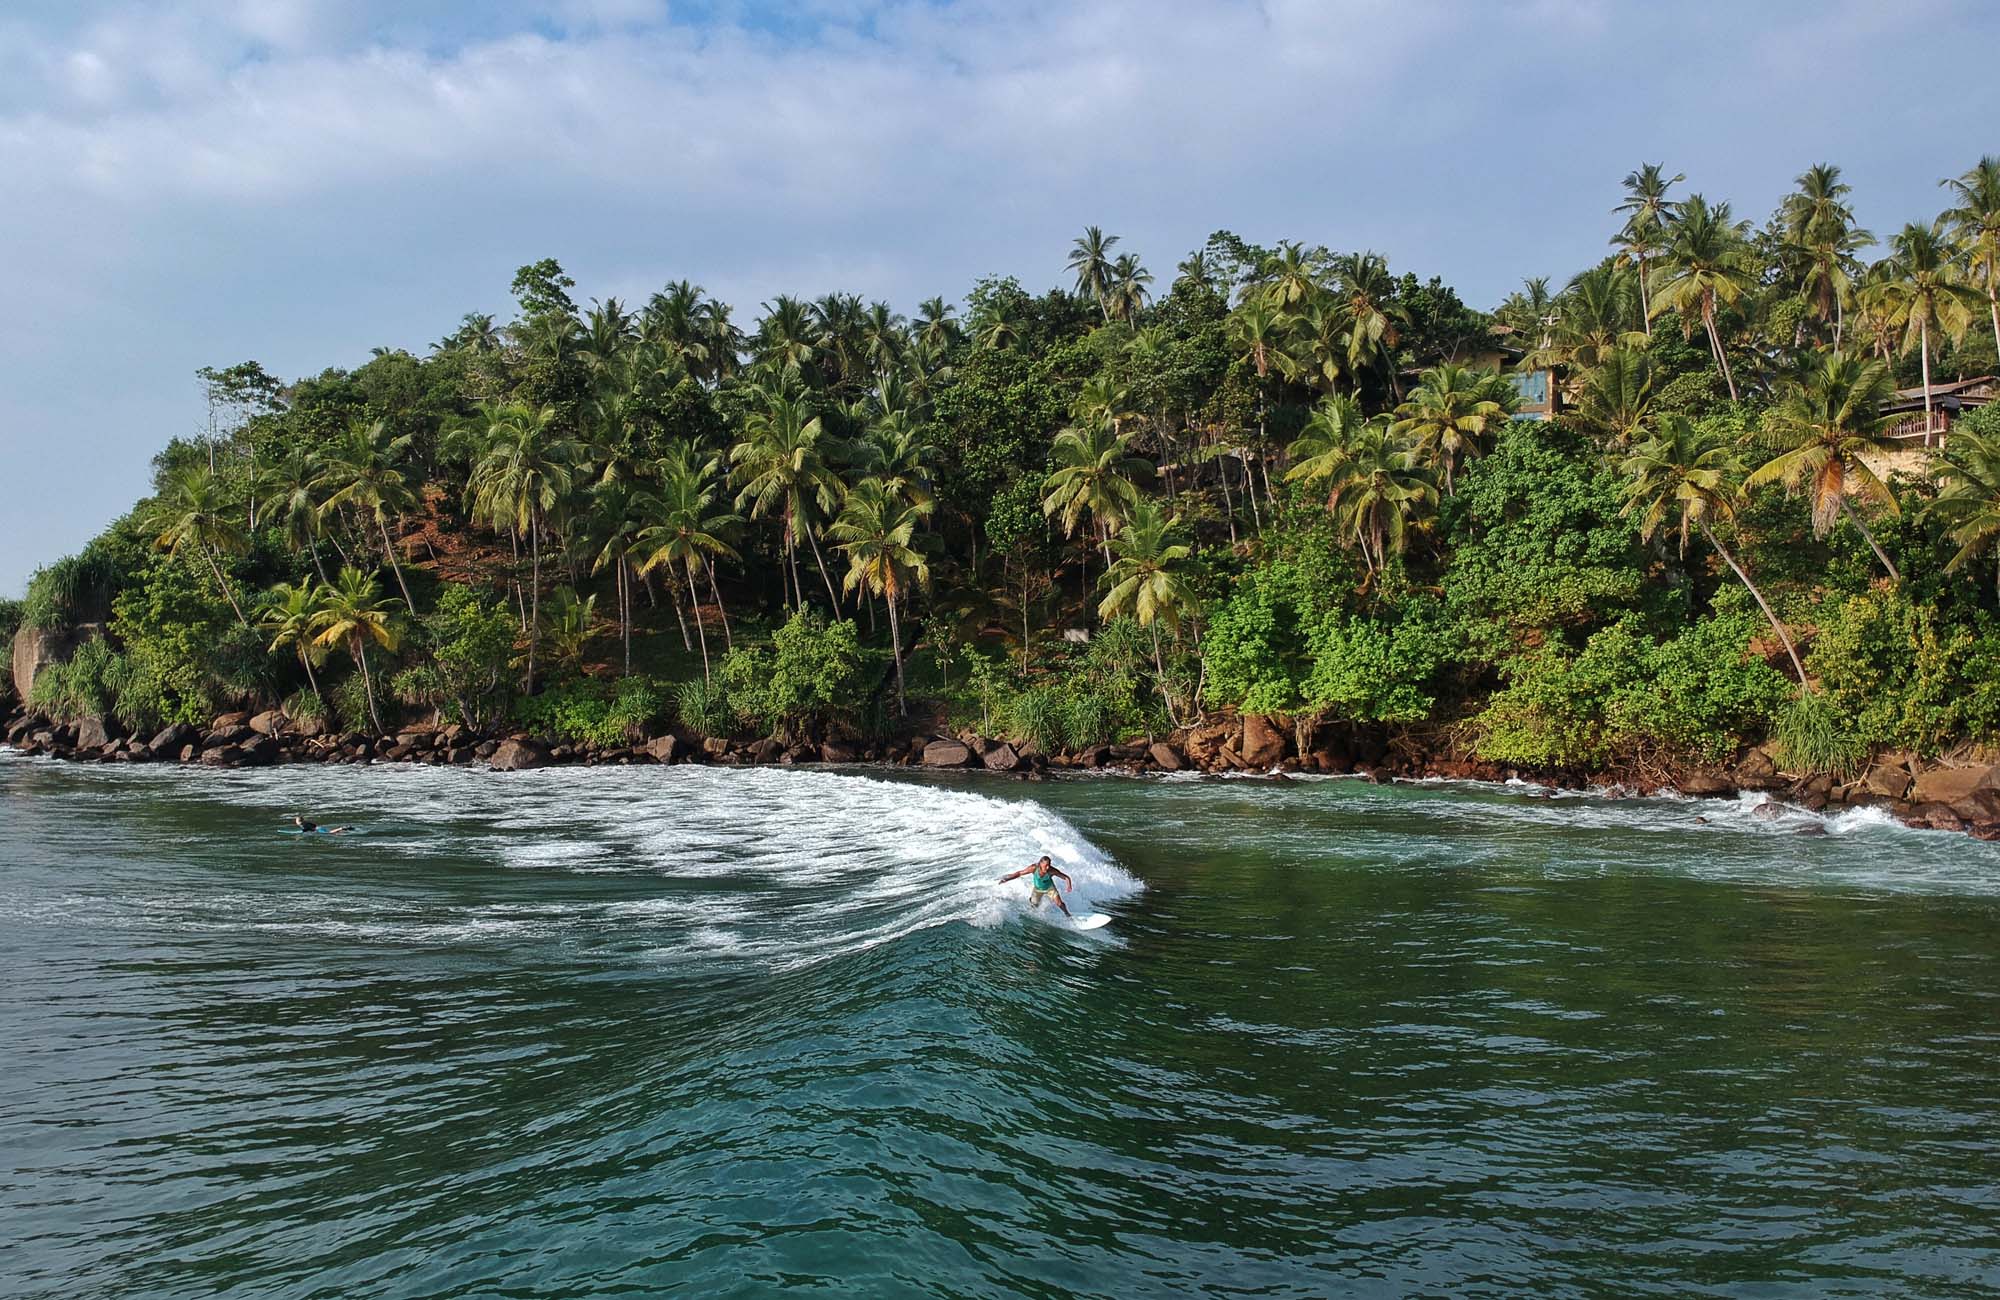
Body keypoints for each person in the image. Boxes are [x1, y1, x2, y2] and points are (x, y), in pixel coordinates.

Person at [997, 855, 1072, 917]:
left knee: (1059, 903)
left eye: (1049, 865)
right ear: (1040, 864)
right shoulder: (1033, 868)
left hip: (1050, 888)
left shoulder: (1052, 870)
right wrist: (1007, 879)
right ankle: (1032, 900)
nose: (1048, 867)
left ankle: (1067, 913)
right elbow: (1019, 873)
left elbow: (1066, 877)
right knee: (1034, 905)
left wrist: (1069, 886)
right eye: (1046, 865)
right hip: (1037, 889)